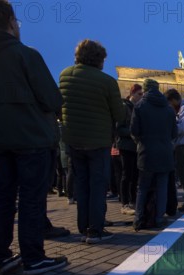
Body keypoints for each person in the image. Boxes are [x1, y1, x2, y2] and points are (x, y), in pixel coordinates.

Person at [0, 0, 68, 275]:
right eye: (17, 21)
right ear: (10, 20)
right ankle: (33, 257)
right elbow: (52, 98)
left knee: (3, 196)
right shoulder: (24, 54)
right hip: (31, 136)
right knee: (32, 197)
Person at [60, 39, 125, 244]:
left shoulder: (64, 75)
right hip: (98, 141)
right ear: (98, 59)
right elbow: (120, 115)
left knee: (81, 184)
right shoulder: (106, 81)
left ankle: (83, 225)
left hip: (73, 140)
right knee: (98, 186)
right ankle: (95, 230)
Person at [131, 79, 177, 230]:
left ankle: (138, 219)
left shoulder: (139, 106)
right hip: (165, 153)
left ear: (145, 90)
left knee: (142, 187)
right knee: (162, 187)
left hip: (146, 152)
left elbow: (134, 131)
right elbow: (174, 133)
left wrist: (140, 142)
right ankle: (158, 219)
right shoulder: (169, 109)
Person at [116, 84, 143, 216]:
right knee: (126, 175)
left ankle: (133, 201)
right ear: (132, 93)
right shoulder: (124, 107)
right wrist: (133, 132)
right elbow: (119, 128)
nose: (141, 97)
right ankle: (124, 203)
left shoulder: (137, 108)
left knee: (135, 175)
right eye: (139, 94)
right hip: (126, 146)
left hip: (135, 146)